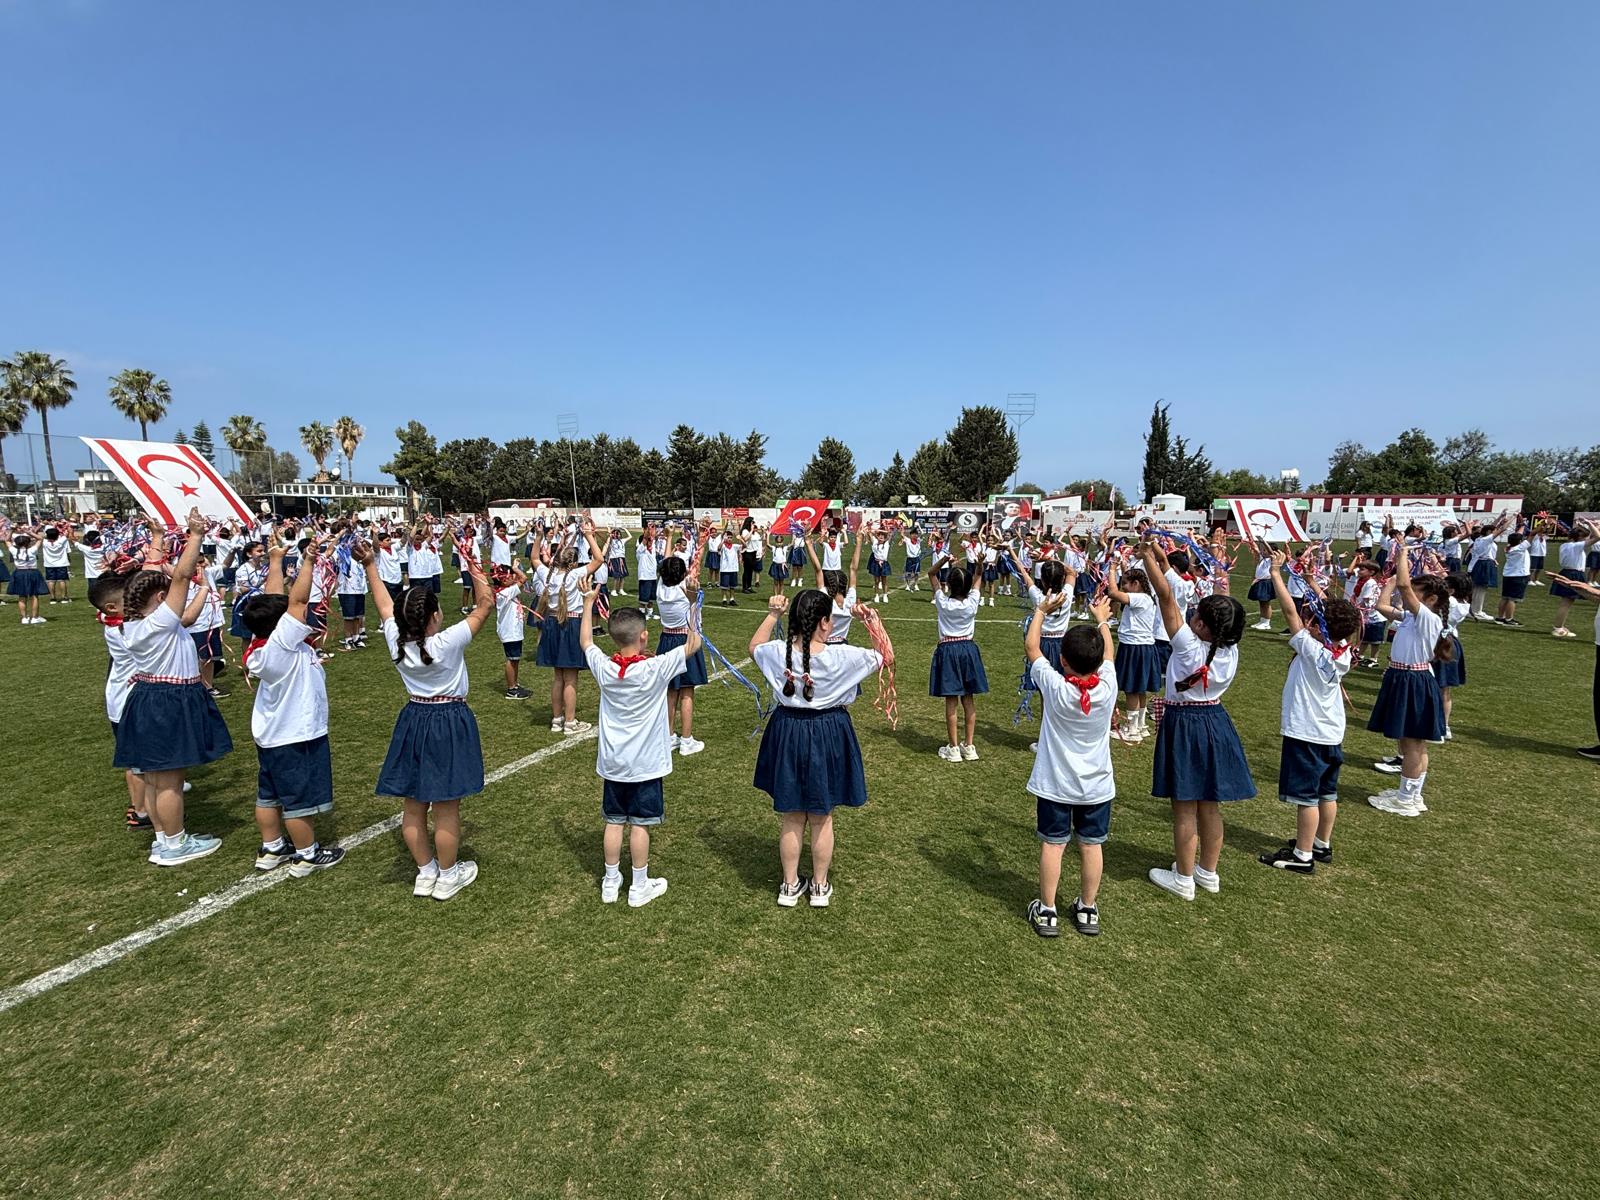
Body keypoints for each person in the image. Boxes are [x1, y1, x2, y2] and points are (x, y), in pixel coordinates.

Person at [366, 540, 491, 901]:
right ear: (435, 615)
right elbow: (485, 604)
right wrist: (472, 564)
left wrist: (370, 566)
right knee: (447, 804)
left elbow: (384, 605)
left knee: (413, 804)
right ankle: (448, 875)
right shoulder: (447, 642)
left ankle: (426, 872)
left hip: (414, 717)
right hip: (448, 720)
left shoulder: (396, 640)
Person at [748, 590, 886, 908]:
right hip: (828, 731)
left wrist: (772, 615)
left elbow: (753, 647)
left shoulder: (776, 652)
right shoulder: (842, 655)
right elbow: (885, 655)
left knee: (793, 816)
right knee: (822, 816)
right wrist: (872, 621)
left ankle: (789, 884)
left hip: (788, 730)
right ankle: (820, 886)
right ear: (825, 623)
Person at [113, 509, 233, 866]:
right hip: (169, 701)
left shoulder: (141, 622)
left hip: (152, 698)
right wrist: (195, 535)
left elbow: (189, 614)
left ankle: (164, 839)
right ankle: (176, 844)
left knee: (153, 778)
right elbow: (180, 575)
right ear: (158, 600)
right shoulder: (158, 622)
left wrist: (201, 586)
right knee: (168, 780)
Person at [1140, 536, 1254, 901]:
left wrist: (1147, 556)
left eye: (1198, 616)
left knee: (1185, 805)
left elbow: (1166, 598)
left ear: (1203, 626)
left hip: (1186, 725)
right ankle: (1208, 872)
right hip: (1215, 721)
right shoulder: (1230, 651)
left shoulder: (1189, 644)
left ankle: (1184, 878)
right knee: (1210, 803)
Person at [579, 577, 701, 907]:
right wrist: (692, 602)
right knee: (640, 824)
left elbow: (587, 642)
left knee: (614, 821)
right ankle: (638, 884)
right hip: (645, 764)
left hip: (615, 762)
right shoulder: (655, 668)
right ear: (644, 636)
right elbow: (693, 644)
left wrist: (588, 602)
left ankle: (610, 879)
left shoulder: (606, 668)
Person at [241, 542, 346, 877]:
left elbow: (272, 601)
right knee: (299, 799)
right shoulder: (282, 644)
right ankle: (306, 855)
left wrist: (274, 561)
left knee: (269, 795)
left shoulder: (263, 645)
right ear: (280, 625)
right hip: (296, 735)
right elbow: (297, 601)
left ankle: (272, 848)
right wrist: (308, 563)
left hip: (271, 735)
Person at [1258, 552, 1360, 874]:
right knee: (1327, 792)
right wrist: (1303, 575)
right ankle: (1321, 844)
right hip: (1330, 731)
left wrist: (1276, 573)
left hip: (1307, 731)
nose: (1309, 620)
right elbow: (1331, 609)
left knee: (1308, 798)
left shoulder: (1312, 647)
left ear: (1320, 628)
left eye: (1314, 619)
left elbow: (1290, 612)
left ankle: (1302, 856)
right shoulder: (1342, 649)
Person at [1025, 592, 1117, 938]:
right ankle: (1087, 907)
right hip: (1096, 785)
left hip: (1056, 784)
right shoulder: (1107, 686)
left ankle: (1047, 910)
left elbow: (1033, 649)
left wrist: (1039, 612)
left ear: (1062, 660)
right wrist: (1103, 621)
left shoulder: (1056, 687)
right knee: (1091, 845)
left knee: (1054, 843)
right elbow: (1108, 654)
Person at [1365, 543, 1453, 817]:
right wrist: (1389, 582)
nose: (1410, 595)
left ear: (1430, 600)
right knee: (1411, 742)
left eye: (1417, 593)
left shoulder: (1427, 617)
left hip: (1413, 680)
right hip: (1403, 676)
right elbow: (1381, 606)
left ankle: (1406, 798)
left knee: (1414, 743)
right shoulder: (1411, 618)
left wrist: (1401, 554)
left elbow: (1404, 587)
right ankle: (1411, 794)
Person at [89, 571, 151, 831]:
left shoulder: (111, 620)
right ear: (112, 607)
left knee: (136, 759)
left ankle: (142, 805)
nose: (137, 603)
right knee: (137, 762)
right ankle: (141, 812)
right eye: (130, 600)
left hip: (120, 698)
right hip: (129, 701)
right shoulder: (125, 630)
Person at [536, 521, 606, 735]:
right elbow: (599, 559)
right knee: (570, 678)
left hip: (552, 624)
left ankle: (557, 720)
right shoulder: (576, 575)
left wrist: (539, 536)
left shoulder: (548, 575)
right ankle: (570, 722)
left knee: (558, 676)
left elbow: (534, 559)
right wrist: (588, 535)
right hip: (571, 624)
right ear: (573, 563)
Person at [928, 550, 988, 761]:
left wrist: (944, 559)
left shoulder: (943, 603)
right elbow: (979, 578)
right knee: (968, 698)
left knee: (951, 700)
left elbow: (931, 574)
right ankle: (969, 746)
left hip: (948, 650)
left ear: (950, 586)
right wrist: (979, 565)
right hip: (968, 649)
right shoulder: (972, 602)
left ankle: (954, 748)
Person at [655, 544, 709, 755]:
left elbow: (665, 565)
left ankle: (669, 737)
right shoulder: (687, 591)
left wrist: (668, 538)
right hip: (686, 640)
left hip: (666, 639)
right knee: (687, 692)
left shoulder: (660, 588)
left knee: (670, 692)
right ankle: (686, 740)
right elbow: (694, 573)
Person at [1107, 561, 1162, 742]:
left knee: (1132, 689)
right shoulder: (1146, 597)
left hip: (1134, 647)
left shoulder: (1141, 598)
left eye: (1126, 584)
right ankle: (1139, 725)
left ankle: (1131, 729)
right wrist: (1123, 568)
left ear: (1136, 584)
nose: (1123, 588)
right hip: (1142, 647)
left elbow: (1113, 593)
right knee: (1139, 689)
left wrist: (1112, 571)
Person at [806, 527, 863, 646]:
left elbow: (818, 570)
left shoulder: (826, 600)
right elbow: (853, 569)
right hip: (843, 645)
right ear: (844, 584)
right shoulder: (850, 601)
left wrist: (808, 544)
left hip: (825, 645)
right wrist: (858, 542)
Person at [1553, 521, 1600, 638]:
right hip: (1574, 573)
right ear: (1579, 538)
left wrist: (1592, 526)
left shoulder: (1565, 545)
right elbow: (1598, 536)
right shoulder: (1577, 546)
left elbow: (1593, 535)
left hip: (1566, 571)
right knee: (1566, 603)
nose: (1586, 539)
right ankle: (1558, 628)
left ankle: (1560, 626)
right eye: (1584, 538)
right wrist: (1589, 523)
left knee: (1566, 602)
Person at [492, 562, 530, 699]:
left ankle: (514, 684)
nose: (513, 578)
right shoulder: (505, 592)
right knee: (512, 659)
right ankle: (511, 689)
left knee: (515, 659)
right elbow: (524, 579)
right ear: (503, 579)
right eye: (511, 576)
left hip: (514, 631)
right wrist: (515, 568)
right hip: (510, 632)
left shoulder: (506, 592)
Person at [6, 530, 49, 624]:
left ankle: (24, 618)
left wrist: (12, 530)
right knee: (34, 596)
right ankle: (35, 617)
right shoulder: (32, 550)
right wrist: (28, 532)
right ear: (28, 543)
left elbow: (7, 540)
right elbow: (40, 538)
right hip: (32, 572)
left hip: (19, 573)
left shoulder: (14, 550)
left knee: (22, 596)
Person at [1495, 532, 1531, 626]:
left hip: (1508, 575)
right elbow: (1532, 534)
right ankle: (1509, 619)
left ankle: (1500, 617)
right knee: (1513, 599)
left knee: (1505, 597)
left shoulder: (1509, 547)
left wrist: (1522, 524)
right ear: (1520, 541)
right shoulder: (1520, 548)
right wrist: (1543, 524)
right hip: (1519, 575)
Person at [41, 523, 74, 605]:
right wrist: (66, 526)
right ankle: (64, 597)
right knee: (62, 580)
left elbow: (40, 537)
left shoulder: (45, 542)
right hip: (61, 564)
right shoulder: (61, 541)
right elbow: (66, 533)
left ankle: (52, 598)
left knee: (51, 581)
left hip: (49, 564)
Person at [635, 523, 659, 621]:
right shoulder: (640, 551)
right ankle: (641, 614)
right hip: (645, 577)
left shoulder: (652, 550)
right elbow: (645, 539)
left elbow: (654, 538)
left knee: (651, 597)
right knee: (643, 598)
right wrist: (647, 531)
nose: (650, 542)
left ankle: (650, 613)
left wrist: (653, 531)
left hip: (653, 576)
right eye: (649, 541)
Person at [867, 526, 893, 604]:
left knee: (884, 581)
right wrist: (872, 529)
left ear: (885, 539)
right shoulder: (875, 542)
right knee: (876, 581)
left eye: (882, 537)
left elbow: (890, 534)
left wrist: (885, 530)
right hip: (876, 563)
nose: (881, 538)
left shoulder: (886, 544)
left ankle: (885, 595)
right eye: (879, 536)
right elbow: (870, 533)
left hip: (884, 563)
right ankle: (877, 595)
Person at [901, 526, 923, 592]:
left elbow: (922, 533)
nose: (914, 535)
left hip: (916, 559)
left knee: (917, 573)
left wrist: (919, 526)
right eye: (913, 534)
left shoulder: (918, 540)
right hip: (909, 559)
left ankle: (916, 584)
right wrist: (902, 527)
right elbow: (902, 534)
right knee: (908, 573)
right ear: (910, 535)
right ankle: (908, 585)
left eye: (916, 534)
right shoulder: (907, 540)